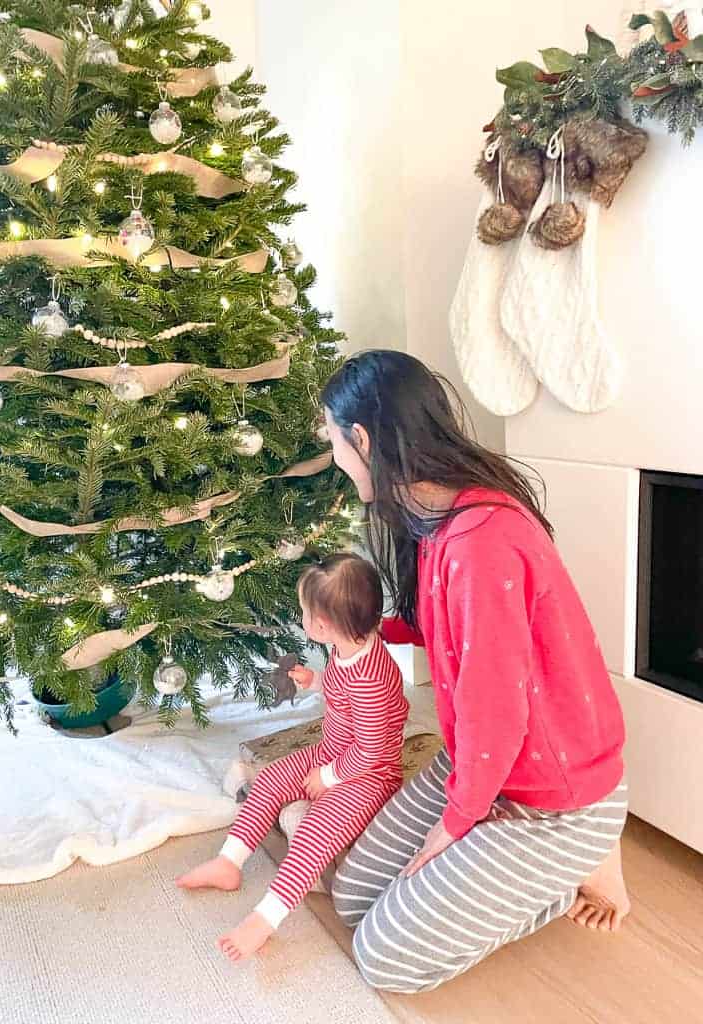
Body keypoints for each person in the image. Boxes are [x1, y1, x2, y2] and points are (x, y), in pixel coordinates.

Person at [321, 350, 630, 995]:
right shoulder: (438, 518)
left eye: (335, 445)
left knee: (384, 958)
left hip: (553, 799)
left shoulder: (481, 542)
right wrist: (356, 627)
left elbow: (498, 710)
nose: (337, 464)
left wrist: (456, 822)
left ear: (364, 439)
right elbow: (447, 629)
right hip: (485, 764)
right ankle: (522, 861)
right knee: (351, 897)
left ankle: (579, 863)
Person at [176, 552, 409, 961]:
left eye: (304, 612)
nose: (302, 618)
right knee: (268, 781)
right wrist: (313, 680)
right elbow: (342, 693)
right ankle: (229, 862)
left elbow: (372, 750)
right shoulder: (348, 647)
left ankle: (265, 918)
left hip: (369, 773)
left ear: (321, 625)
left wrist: (331, 778)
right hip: (334, 750)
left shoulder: (372, 676)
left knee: (313, 830)